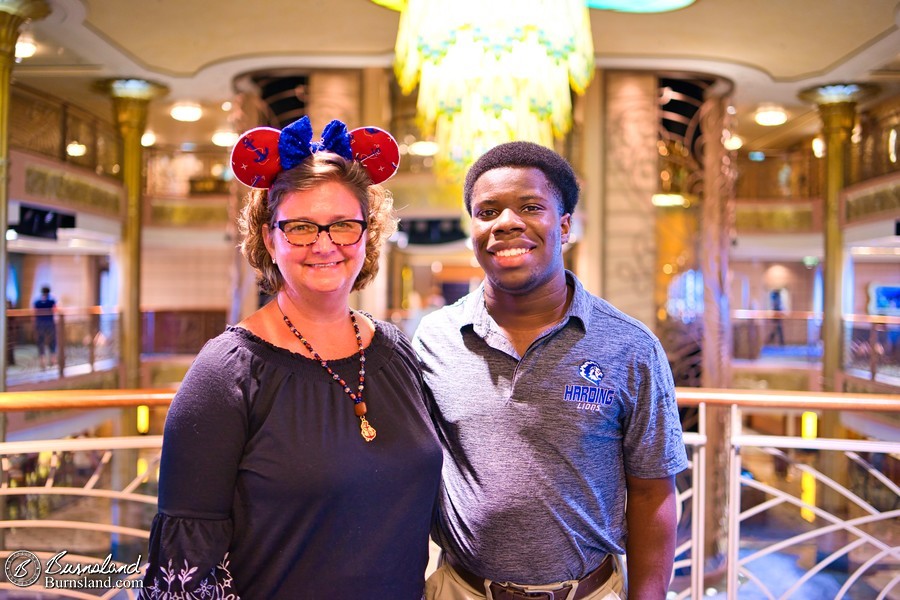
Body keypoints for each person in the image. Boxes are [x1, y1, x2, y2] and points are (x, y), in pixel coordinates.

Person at [142, 116, 442, 599]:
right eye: (301, 227)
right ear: (268, 238)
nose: (325, 245)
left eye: (344, 225)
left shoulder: (397, 353)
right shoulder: (226, 374)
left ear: (368, 234)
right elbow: (183, 578)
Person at [413, 142, 689, 600]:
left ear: (564, 226)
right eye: (487, 211)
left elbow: (652, 492)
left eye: (530, 207)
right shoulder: (434, 339)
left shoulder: (630, 346)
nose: (506, 223)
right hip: (460, 590)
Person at [33, 285, 56, 369]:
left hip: (40, 323)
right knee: (52, 341)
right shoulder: (51, 301)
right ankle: (52, 358)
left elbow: (34, 312)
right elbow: (55, 309)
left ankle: (42, 359)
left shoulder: (37, 301)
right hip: (49, 323)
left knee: (40, 341)